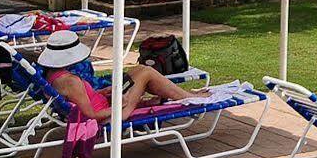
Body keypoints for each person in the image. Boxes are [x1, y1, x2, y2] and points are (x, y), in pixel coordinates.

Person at [36, 30, 202, 121]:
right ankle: (191, 97)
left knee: (139, 70)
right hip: (111, 115)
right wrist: (117, 107)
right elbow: (90, 115)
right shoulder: (70, 81)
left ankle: (182, 97)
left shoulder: (52, 74)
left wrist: (103, 92)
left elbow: (79, 99)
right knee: (146, 72)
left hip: (106, 103)